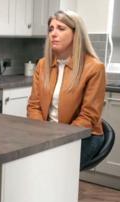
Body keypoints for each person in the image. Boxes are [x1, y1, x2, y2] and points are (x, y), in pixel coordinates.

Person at [27, 10, 106, 169]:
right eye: (51, 29)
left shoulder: (94, 68)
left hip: (83, 136)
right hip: (47, 135)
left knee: (51, 168)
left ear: (76, 34)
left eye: (61, 29)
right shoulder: (42, 65)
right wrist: (41, 133)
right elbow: (34, 106)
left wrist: (58, 137)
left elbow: (88, 116)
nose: (53, 34)